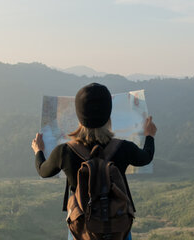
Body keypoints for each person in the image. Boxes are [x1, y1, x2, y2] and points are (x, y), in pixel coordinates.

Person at [32, 83, 157, 240]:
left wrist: (38, 151)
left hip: (82, 228)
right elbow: (146, 157)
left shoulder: (64, 152)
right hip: (118, 225)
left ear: (79, 114)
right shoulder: (123, 147)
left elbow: (43, 171)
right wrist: (149, 135)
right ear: (108, 113)